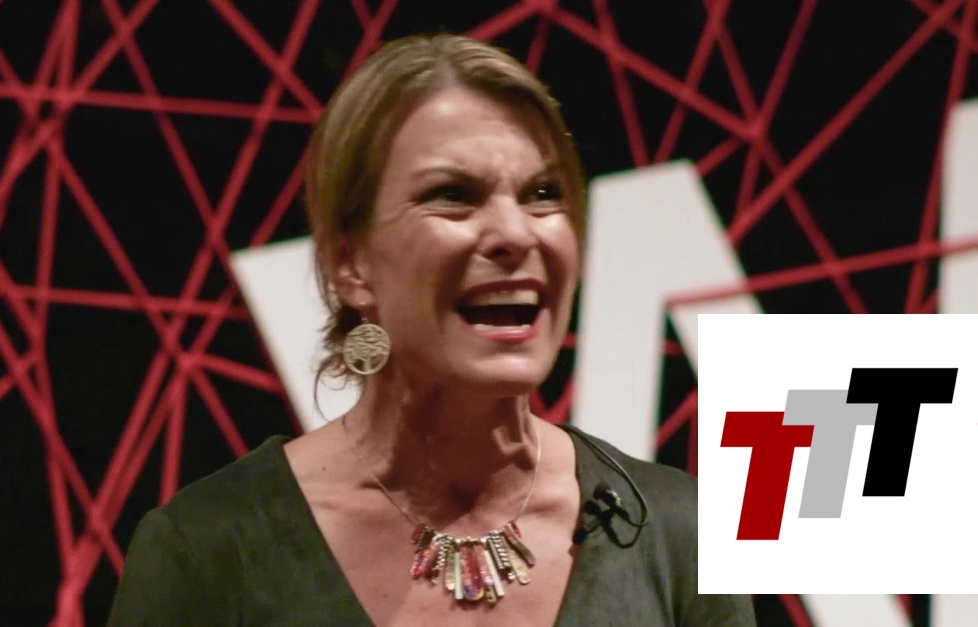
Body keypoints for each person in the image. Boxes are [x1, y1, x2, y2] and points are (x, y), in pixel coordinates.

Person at [107, 34, 756, 626]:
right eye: (453, 194)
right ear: (350, 264)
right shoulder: (206, 552)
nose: (515, 233)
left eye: (542, 194)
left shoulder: (679, 532)